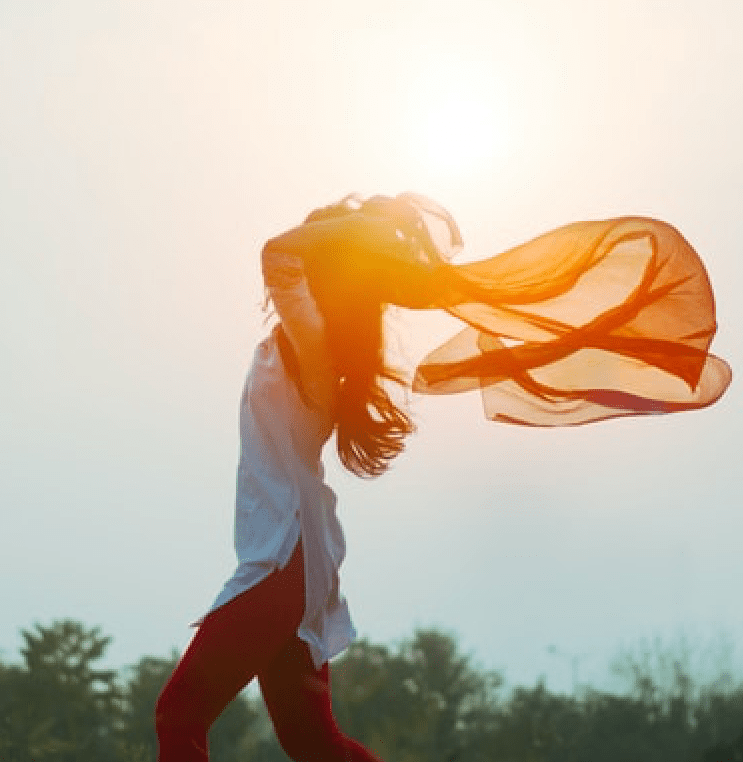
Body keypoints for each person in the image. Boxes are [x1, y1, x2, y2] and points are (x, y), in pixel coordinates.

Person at [153, 193, 730, 762]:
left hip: (283, 559)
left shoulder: (314, 340)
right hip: (293, 561)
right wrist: (358, 235)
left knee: (180, 715)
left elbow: (278, 255)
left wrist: (356, 234)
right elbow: (289, 259)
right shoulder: (318, 341)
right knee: (314, 745)